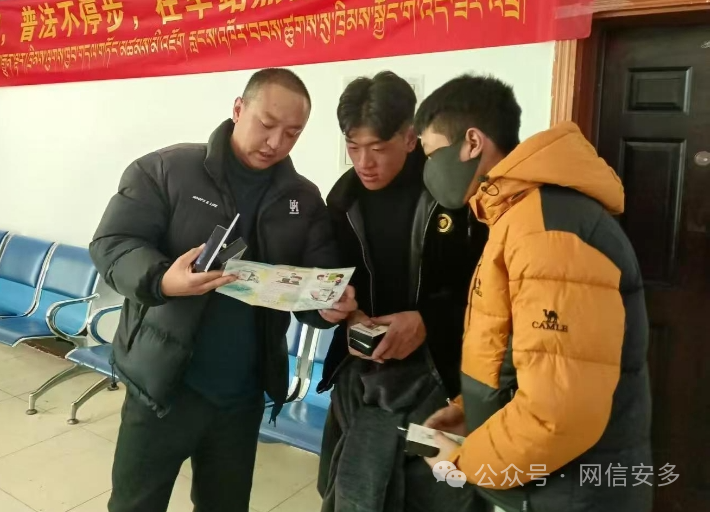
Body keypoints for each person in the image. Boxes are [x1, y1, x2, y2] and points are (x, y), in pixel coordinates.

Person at [89, 68, 358, 512]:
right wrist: (163, 279)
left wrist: (327, 306)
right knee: (136, 505)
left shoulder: (302, 199)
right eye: (266, 124)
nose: (276, 142)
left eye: (292, 133)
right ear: (238, 109)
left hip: (241, 396)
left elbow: (316, 279)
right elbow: (112, 244)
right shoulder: (166, 170)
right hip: (162, 387)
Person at [415, 75, 651, 512]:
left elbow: (558, 414)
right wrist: (474, 408)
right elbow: (527, 355)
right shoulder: (518, 217)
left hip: (570, 492)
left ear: (472, 142)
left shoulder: (547, 230)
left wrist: (465, 462)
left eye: (431, 154)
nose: (428, 170)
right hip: (545, 483)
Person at [316, 72, 486, 512]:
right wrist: (342, 311)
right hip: (362, 379)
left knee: (437, 495)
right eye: (353, 147)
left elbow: (490, 290)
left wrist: (428, 322)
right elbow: (328, 282)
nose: (363, 162)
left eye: (377, 148)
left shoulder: (454, 198)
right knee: (350, 489)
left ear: (410, 138)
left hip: (443, 379)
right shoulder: (343, 200)